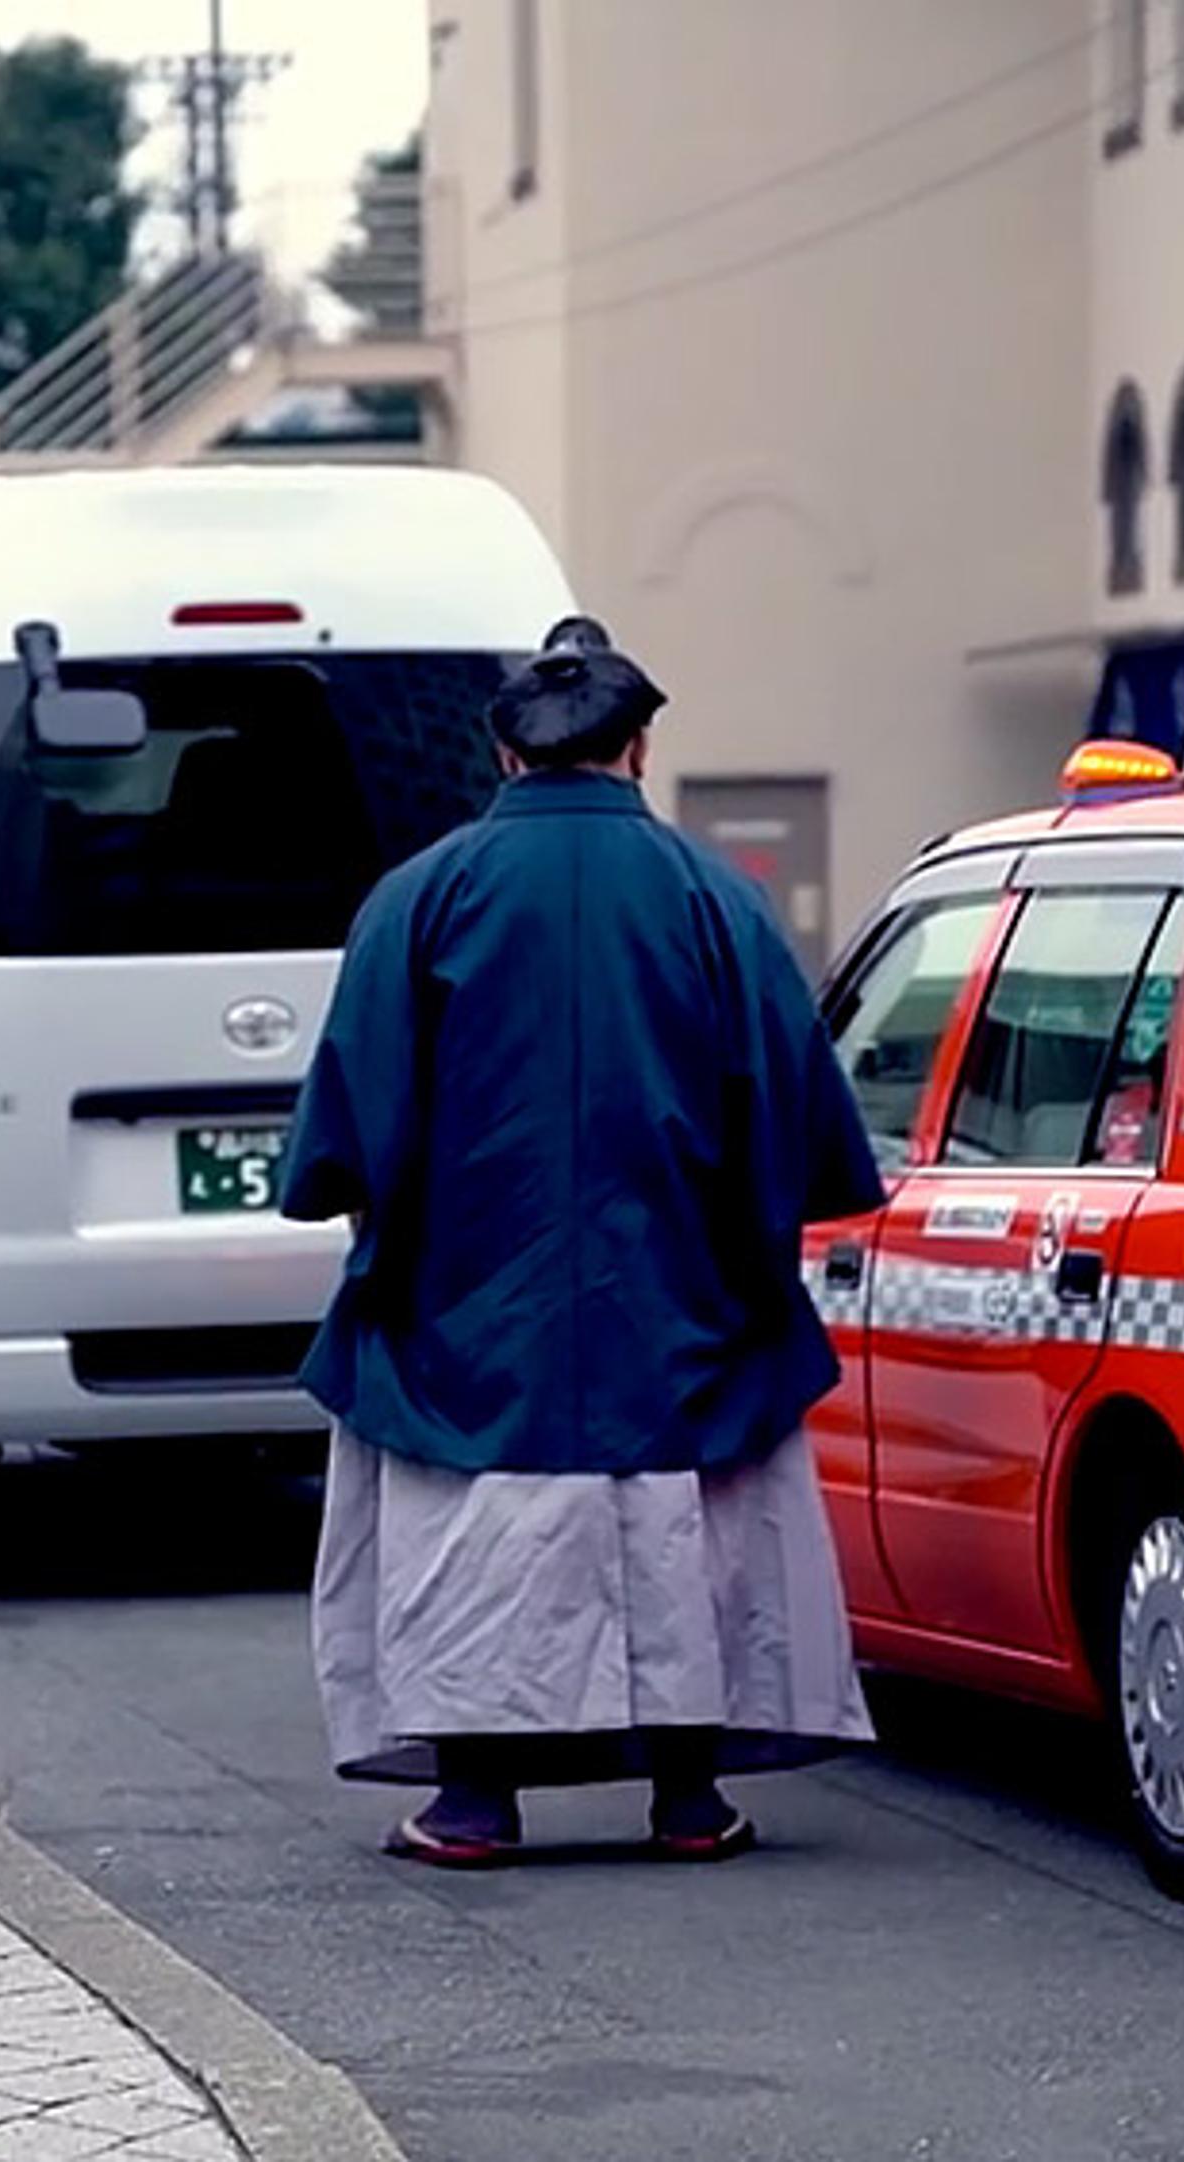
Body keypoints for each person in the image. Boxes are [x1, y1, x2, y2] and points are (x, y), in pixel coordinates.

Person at [276, 616, 887, 1869]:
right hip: (679, 1297)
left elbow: (349, 1120)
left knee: (473, 1534)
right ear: (641, 748)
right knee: (683, 1532)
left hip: (465, 1306)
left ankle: (474, 1799)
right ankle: (686, 1793)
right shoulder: (716, 897)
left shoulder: (417, 898)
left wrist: (371, 1216)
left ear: (501, 754)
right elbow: (795, 1106)